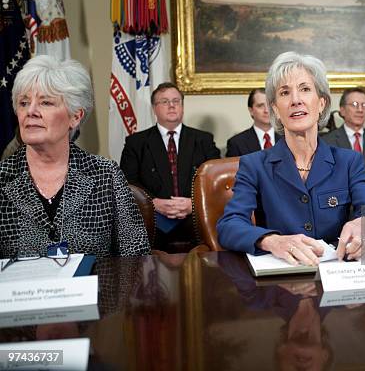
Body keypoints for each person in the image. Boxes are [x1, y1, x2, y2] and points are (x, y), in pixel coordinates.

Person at [217, 52, 365, 265]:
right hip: (282, 283)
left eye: (305, 89)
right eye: (285, 93)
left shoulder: (349, 162)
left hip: (338, 278)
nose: (296, 100)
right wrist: (271, 241)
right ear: (276, 110)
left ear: (322, 103)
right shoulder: (254, 165)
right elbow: (229, 225)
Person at [0, 55, 150, 259]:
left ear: (75, 117)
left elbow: (136, 258)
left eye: (45, 102)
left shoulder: (105, 175)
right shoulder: (2, 178)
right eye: (24, 103)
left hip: (98, 290)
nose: (31, 111)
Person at [120, 82, 221, 251]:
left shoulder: (203, 139)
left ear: (182, 106)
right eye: (165, 101)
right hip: (154, 218)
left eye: (176, 101)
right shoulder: (136, 143)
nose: (172, 105)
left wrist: (194, 204)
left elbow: (214, 180)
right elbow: (128, 182)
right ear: (154, 108)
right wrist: (152, 203)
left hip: (195, 216)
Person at [226, 88, 281, 157]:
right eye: (260, 106)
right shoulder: (237, 143)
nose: (266, 110)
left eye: (270, 105)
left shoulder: (289, 138)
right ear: (251, 110)